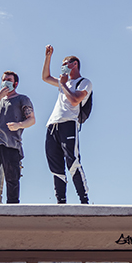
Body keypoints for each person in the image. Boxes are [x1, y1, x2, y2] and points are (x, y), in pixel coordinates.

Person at [42, 45, 92, 204]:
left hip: (69, 123)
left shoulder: (84, 82)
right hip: (52, 125)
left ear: (74, 64)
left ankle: (84, 199)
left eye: (65, 64)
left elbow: (76, 100)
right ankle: (60, 201)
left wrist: (63, 84)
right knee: (55, 164)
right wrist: (48, 57)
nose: (62, 67)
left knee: (72, 161)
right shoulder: (62, 82)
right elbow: (45, 77)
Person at [0, 71, 35, 204]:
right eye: (3, 80)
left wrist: (19, 125)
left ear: (15, 83)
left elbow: (32, 119)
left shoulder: (22, 99)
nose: (5, 82)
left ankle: (12, 208)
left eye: (9, 80)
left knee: (12, 179)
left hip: (11, 144)